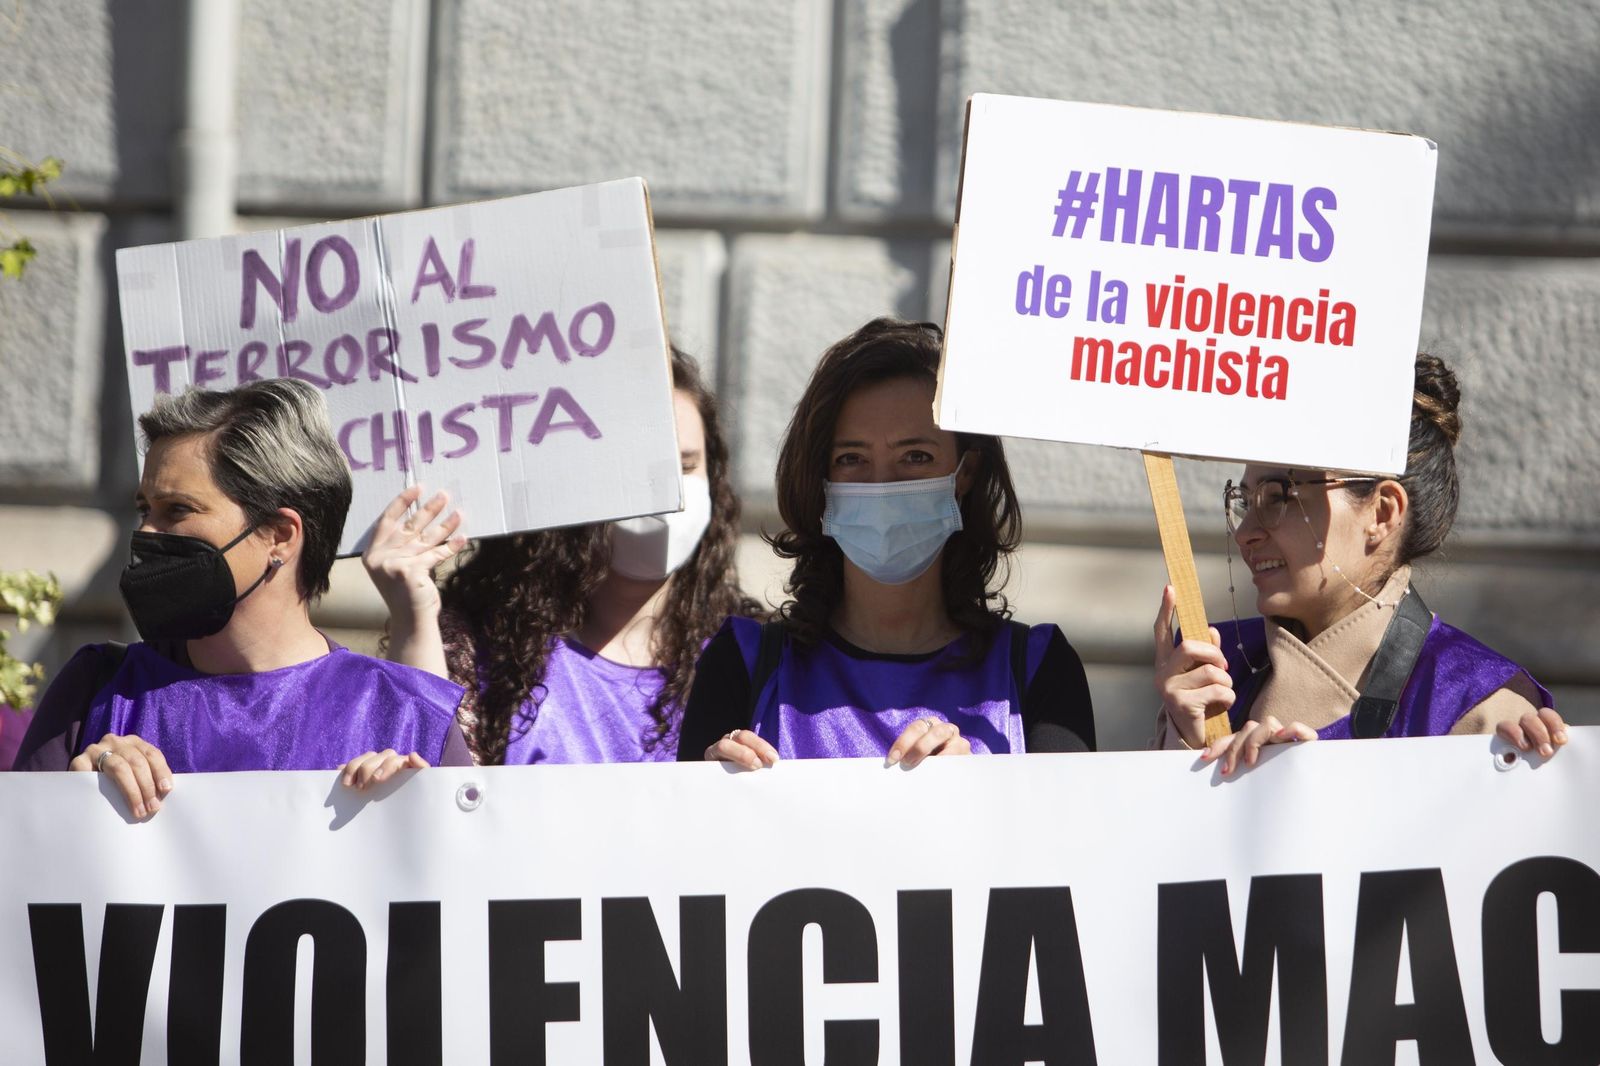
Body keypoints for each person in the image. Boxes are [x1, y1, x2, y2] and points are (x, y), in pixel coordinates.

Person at [12, 379, 470, 814]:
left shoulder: (410, 714)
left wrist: (416, 821)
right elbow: (20, 873)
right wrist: (76, 799)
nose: (146, 534)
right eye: (143, 510)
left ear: (279, 535)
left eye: (177, 510)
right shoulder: (97, 691)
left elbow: (468, 879)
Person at [678, 317, 1095, 769]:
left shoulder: (1037, 670)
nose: (882, 484)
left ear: (966, 473)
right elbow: (682, 834)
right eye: (851, 458)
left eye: (915, 456)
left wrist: (981, 792)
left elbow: (1071, 835)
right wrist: (714, 794)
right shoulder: (742, 664)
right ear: (822, 480)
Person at [1153, 352, 1569, 773]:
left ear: (1382, 514)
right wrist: (1185, 745)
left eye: (1278, 496)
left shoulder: (1473, 703)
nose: (1245, 534)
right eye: (1244, 501)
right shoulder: (1214, 672)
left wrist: (1531, 773)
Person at [364, 347, 762, 764]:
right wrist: (413, 620)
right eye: (634, 465)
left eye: (684, 465)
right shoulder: (476, 649)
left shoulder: (753, 656)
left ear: (713, 477)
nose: (665, 491)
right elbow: (425, 785)